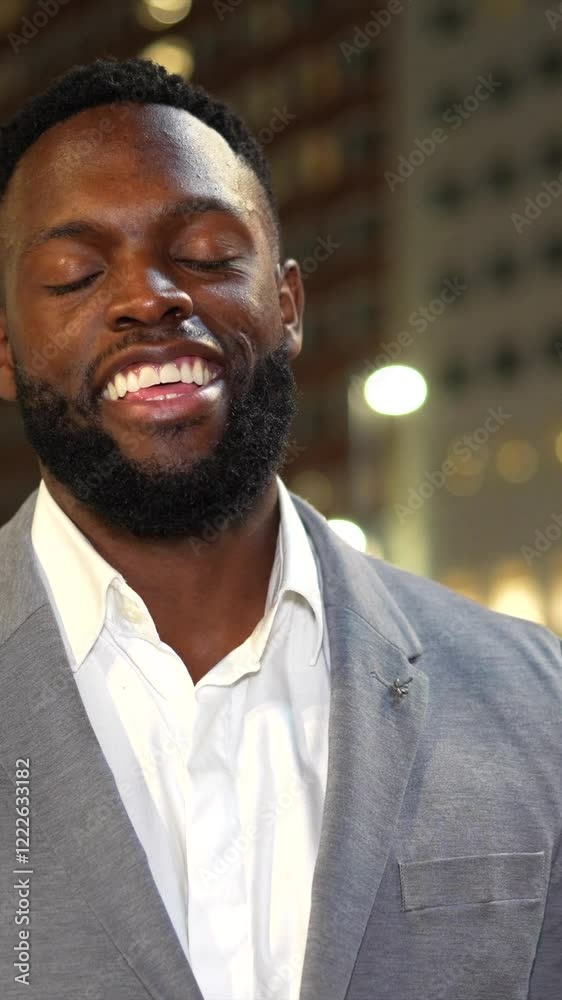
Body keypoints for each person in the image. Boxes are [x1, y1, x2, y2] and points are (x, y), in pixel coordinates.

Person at [0, 56, 559, 1000]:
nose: (149, 296)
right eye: (76, 273)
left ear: (288, 305)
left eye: (208, 254)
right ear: (5, 351)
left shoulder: (536, 700)